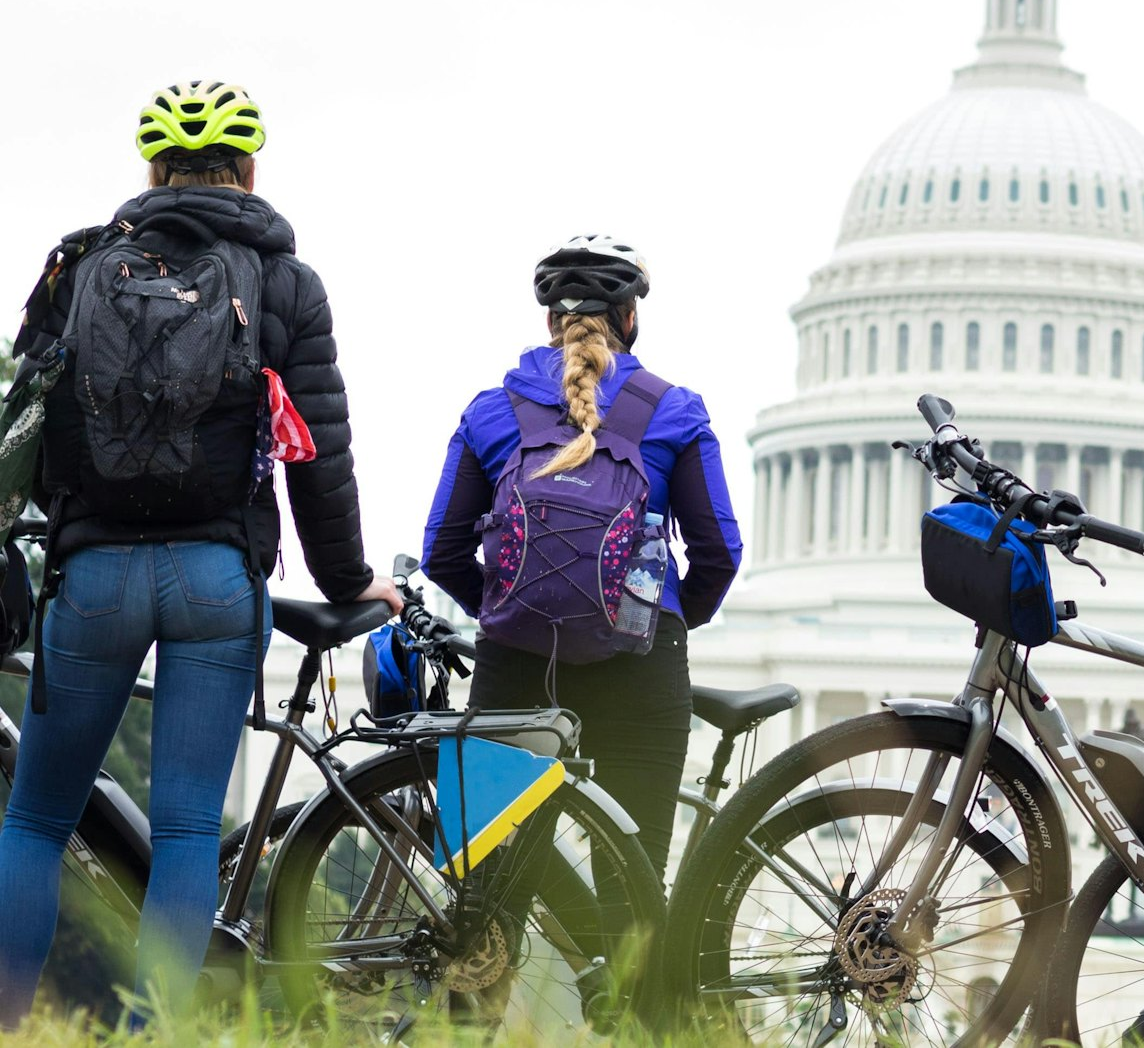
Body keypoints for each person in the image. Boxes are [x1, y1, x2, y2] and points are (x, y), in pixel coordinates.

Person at [0, 79, 401, 1027]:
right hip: (216, 581)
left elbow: (21, 421)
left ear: (152, 171)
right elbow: (321, 456)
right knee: (185, 827)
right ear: (249, 172)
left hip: (91, 576)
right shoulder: (287, 284)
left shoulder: (78, 268)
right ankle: (160, 1035)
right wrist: (349, 582)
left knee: (34, 819)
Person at [421, 235, 742, 884]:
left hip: (516, 663)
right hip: (638, 663)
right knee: (632, 887)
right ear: (630, 319)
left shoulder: (492, 411)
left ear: (548, 322)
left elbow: (441, 549)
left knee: (481, 874)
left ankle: (477, 975)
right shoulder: (674, 410)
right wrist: (669, 619)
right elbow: (720, 552)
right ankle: (614, 984)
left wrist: (506, 608)